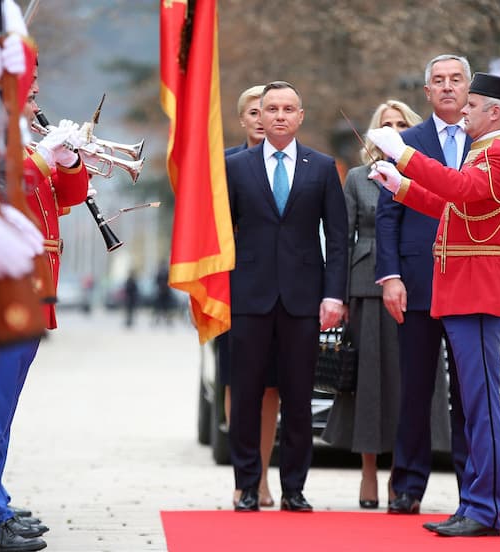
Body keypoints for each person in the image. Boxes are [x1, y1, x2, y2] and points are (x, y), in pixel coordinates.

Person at [368, 71, 500, 537]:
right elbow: (453, 206)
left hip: (479, 293)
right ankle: (476, 504)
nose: (463, 111)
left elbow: (458, 192)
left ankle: (484, 509)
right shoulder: (487, 155)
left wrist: (404, 153)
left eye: (473, 105)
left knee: (481, 408)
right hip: (466, 291)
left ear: (495, 112)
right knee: (475, 406)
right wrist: (399, 185)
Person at [0, 50, 90, 551]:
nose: (36, 96)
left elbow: (67, 196)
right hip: (1, 289)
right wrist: (41, 156)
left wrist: (71, 161)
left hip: (31, 289)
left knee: (2, 412)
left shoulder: (16, 136)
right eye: (28, 87)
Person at [225, 80, 348, 512]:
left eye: (288, 108)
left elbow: (337, 240)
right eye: (271, 108)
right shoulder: (237, 167)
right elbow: (221, 235)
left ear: (301, 116)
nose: (279, 115)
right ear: (260, 113)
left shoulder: (322, 167)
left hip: (303, 300)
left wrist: (335, 296)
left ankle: (294, 488)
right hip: (249, 297)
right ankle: (246, 486)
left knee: (298, 398)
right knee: (245, 395)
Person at [374, 54, 473, 516]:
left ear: (469, 88)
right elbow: (388, 215)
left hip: (471, 283)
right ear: (427, 91)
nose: (448, 87)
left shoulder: (487, 144)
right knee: (415, 387)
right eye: (439, 80)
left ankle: (472, 489)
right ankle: (408, 486)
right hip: (416, 283)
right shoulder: (405, 144)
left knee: (468, 392)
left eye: (456, 79)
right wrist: (390, 276)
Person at [321, 100, 422, 510]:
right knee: (368, 386)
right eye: (386, 124)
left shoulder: (425, 175)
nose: (394, 128)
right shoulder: (359, 179)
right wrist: (339, 296)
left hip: (412, 289)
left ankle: (403, 475)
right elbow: (341, 240)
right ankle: (367, 474)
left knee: (405, 386)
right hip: (365, 288)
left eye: (401, 123)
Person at [220, 85, 280, 508]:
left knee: (272, 387)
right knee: (238, 384)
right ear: (242, 119)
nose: (262, 119)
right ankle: (243, 474)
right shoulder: (225, 165)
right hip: (235, 289)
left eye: (269, 111)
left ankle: (263, 475)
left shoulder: (297, 164)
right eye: (253, 112)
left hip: (283, 292)